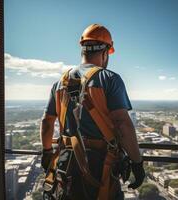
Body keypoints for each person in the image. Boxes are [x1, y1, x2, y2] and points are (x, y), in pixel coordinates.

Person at [40, 24, 145, 200]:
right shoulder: (109, 79)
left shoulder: (60, 83)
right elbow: (122, 123)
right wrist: (137, 162)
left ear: (83, 50)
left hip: (66, 162)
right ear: (105, 52)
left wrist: (46, 152)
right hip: (99, 165)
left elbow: (47, 122)